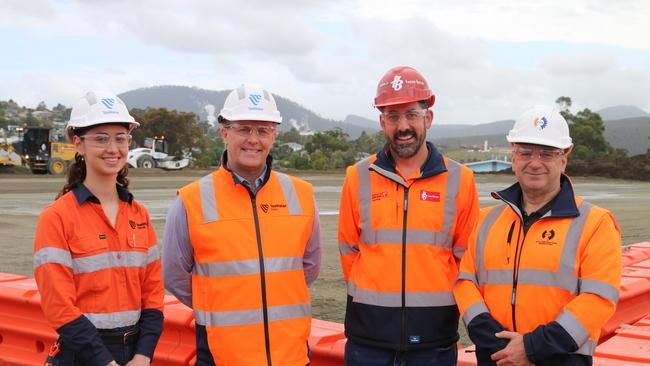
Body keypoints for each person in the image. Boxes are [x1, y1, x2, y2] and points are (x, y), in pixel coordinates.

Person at [162, 83, 321, 366]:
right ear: (225, 132)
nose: (253, 139)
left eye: (263, 130)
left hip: (292, 356)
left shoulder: (302, 194)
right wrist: (218, 307)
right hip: (222, 357)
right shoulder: (191, 200)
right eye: (244, 129)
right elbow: (175, 276)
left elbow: (308, 268)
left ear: (274, 136)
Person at [453, 105, 622, 366]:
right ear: (513, 156)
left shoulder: (595, 223)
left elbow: (598, 299)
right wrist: (496, 340)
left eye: (546, 153)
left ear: (564, 158)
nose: (534, 162)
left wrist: (531, 348)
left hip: (562, 358)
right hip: (496, 356)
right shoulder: (487, 220)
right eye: (525, 152)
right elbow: (466, 282)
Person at [338, 66, 480, 366]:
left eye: (411, 114)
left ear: (428, 117)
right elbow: (350, 251)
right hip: (368, 341)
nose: (402, 126)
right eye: (392, 116)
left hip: (433, 341)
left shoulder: (461, 180)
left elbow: (465, 260)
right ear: (382, 122)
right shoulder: (357, 177)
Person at [33, 91, 164, 366]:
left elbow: (153, 295)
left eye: (120, 138)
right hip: (82, 355)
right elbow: (59, 306)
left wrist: (143, 356)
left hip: (134, 356)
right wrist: (105, 362)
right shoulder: (56, 217)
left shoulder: (139, 214)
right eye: (101, 139)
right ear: (78, 144)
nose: (113, 148)